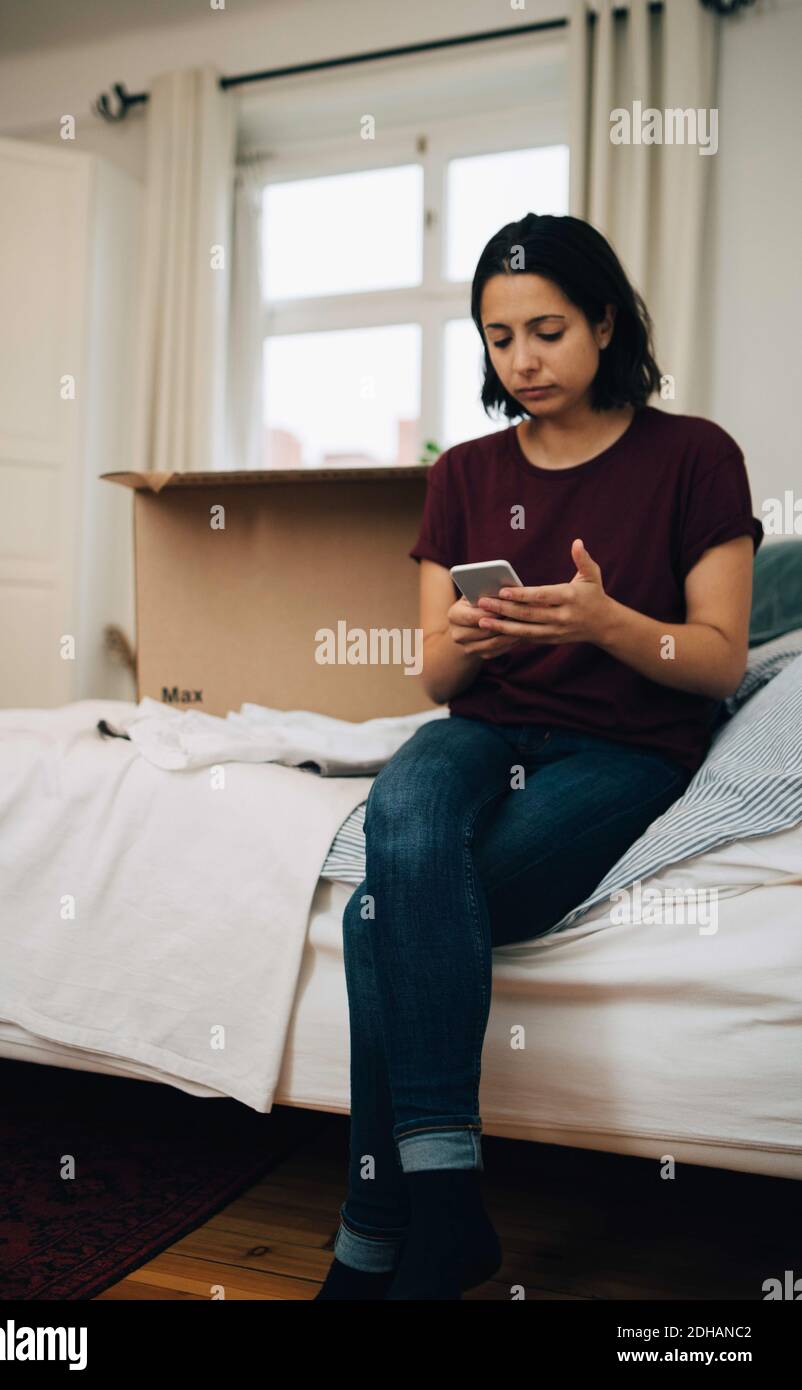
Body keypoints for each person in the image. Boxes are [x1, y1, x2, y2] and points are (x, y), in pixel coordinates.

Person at [315, 213, 764, 1301]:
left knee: (375, 916)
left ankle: (380, 1225)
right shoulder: (462, 470)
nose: (522, 359)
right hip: (484, 729)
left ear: (605, 322)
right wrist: (466, 640)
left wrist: (605, 622)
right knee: (405, 812)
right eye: (498, 337)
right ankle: (449, 1206)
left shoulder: (693, 455)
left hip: (625, 746)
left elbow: (712, 663)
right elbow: (432, 680)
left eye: (548, 329)